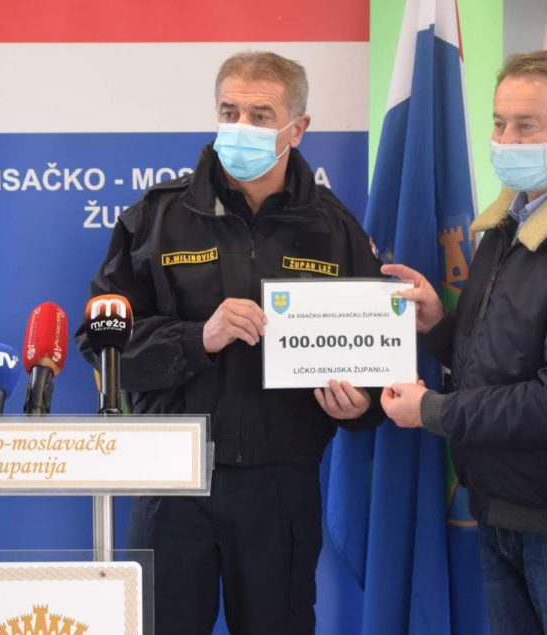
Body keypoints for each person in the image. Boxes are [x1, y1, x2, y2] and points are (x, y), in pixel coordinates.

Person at [76, 51, 383, 635]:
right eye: (229, 111)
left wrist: (360, 405)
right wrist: (198, 339)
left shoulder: (336, 229)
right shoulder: (155, 218)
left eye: (260, 115)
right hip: (170, 478)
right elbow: (101, 343)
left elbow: (373, 365)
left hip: (280, 482)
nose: (241, 127)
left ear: (298, 128)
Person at [381, 50, 547, 635]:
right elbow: (505, 356)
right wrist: (439, 326)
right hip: (504, 508)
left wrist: (434, 411)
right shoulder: (514, 219)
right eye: (500, 124)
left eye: (526, 126)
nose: (506, 141)